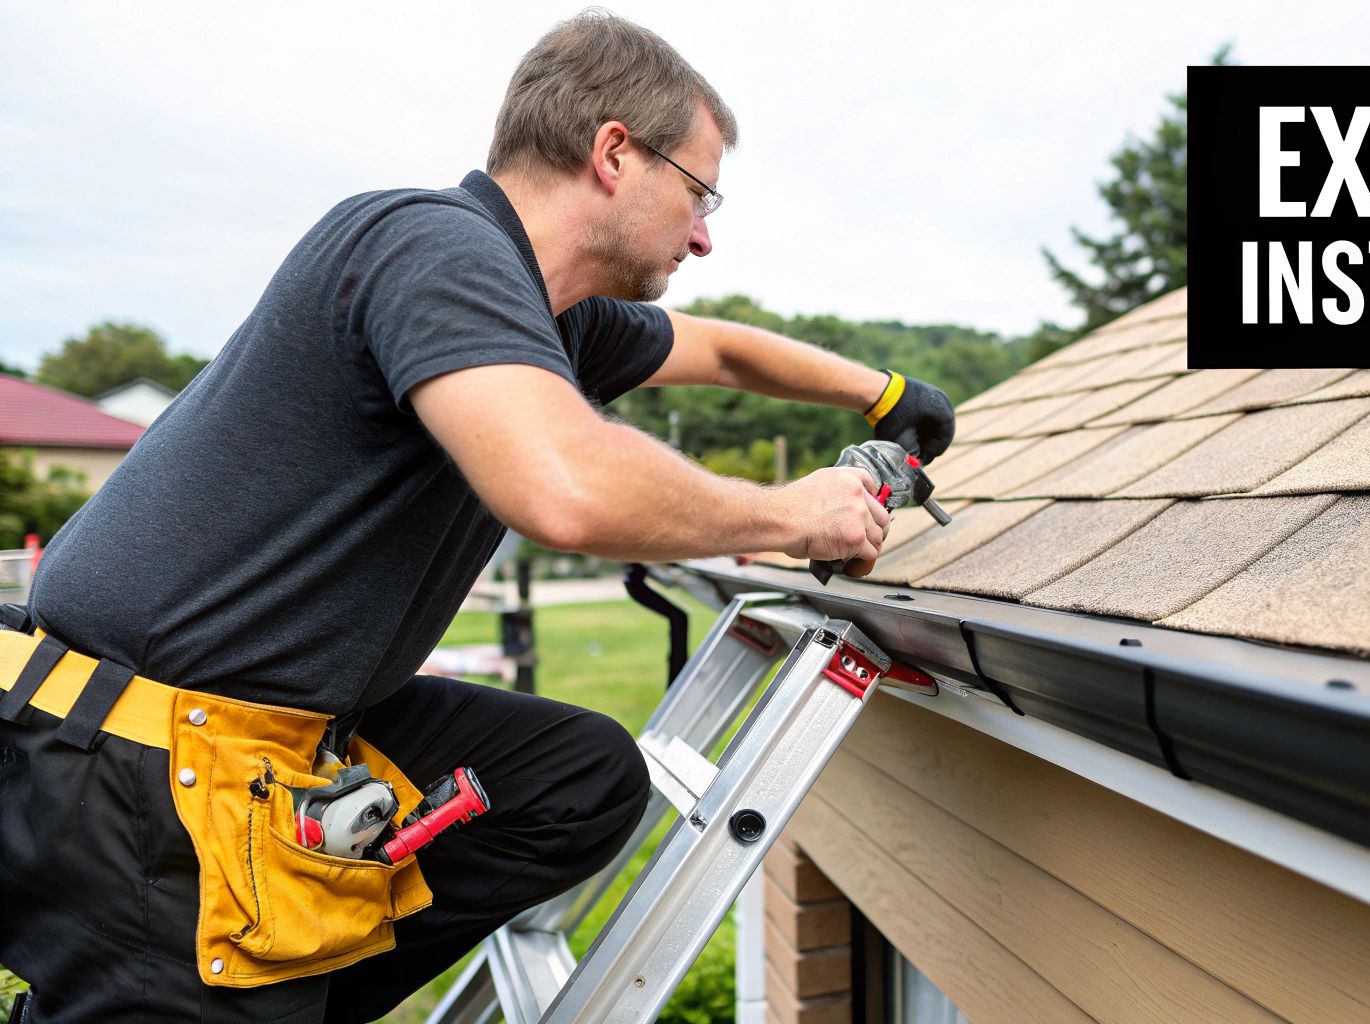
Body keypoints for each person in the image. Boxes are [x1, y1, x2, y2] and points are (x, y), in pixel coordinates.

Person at [0, 10, 954, 1023]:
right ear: (615, 154)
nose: (704, 234)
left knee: (576, 780)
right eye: (698, 192)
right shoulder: (433, 248)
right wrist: (791, 513)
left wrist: (886, 394)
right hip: (140, 761)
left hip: (264, 728)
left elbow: (719, 350)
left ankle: (289, 983)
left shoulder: (549, 317)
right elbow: (565, 485)